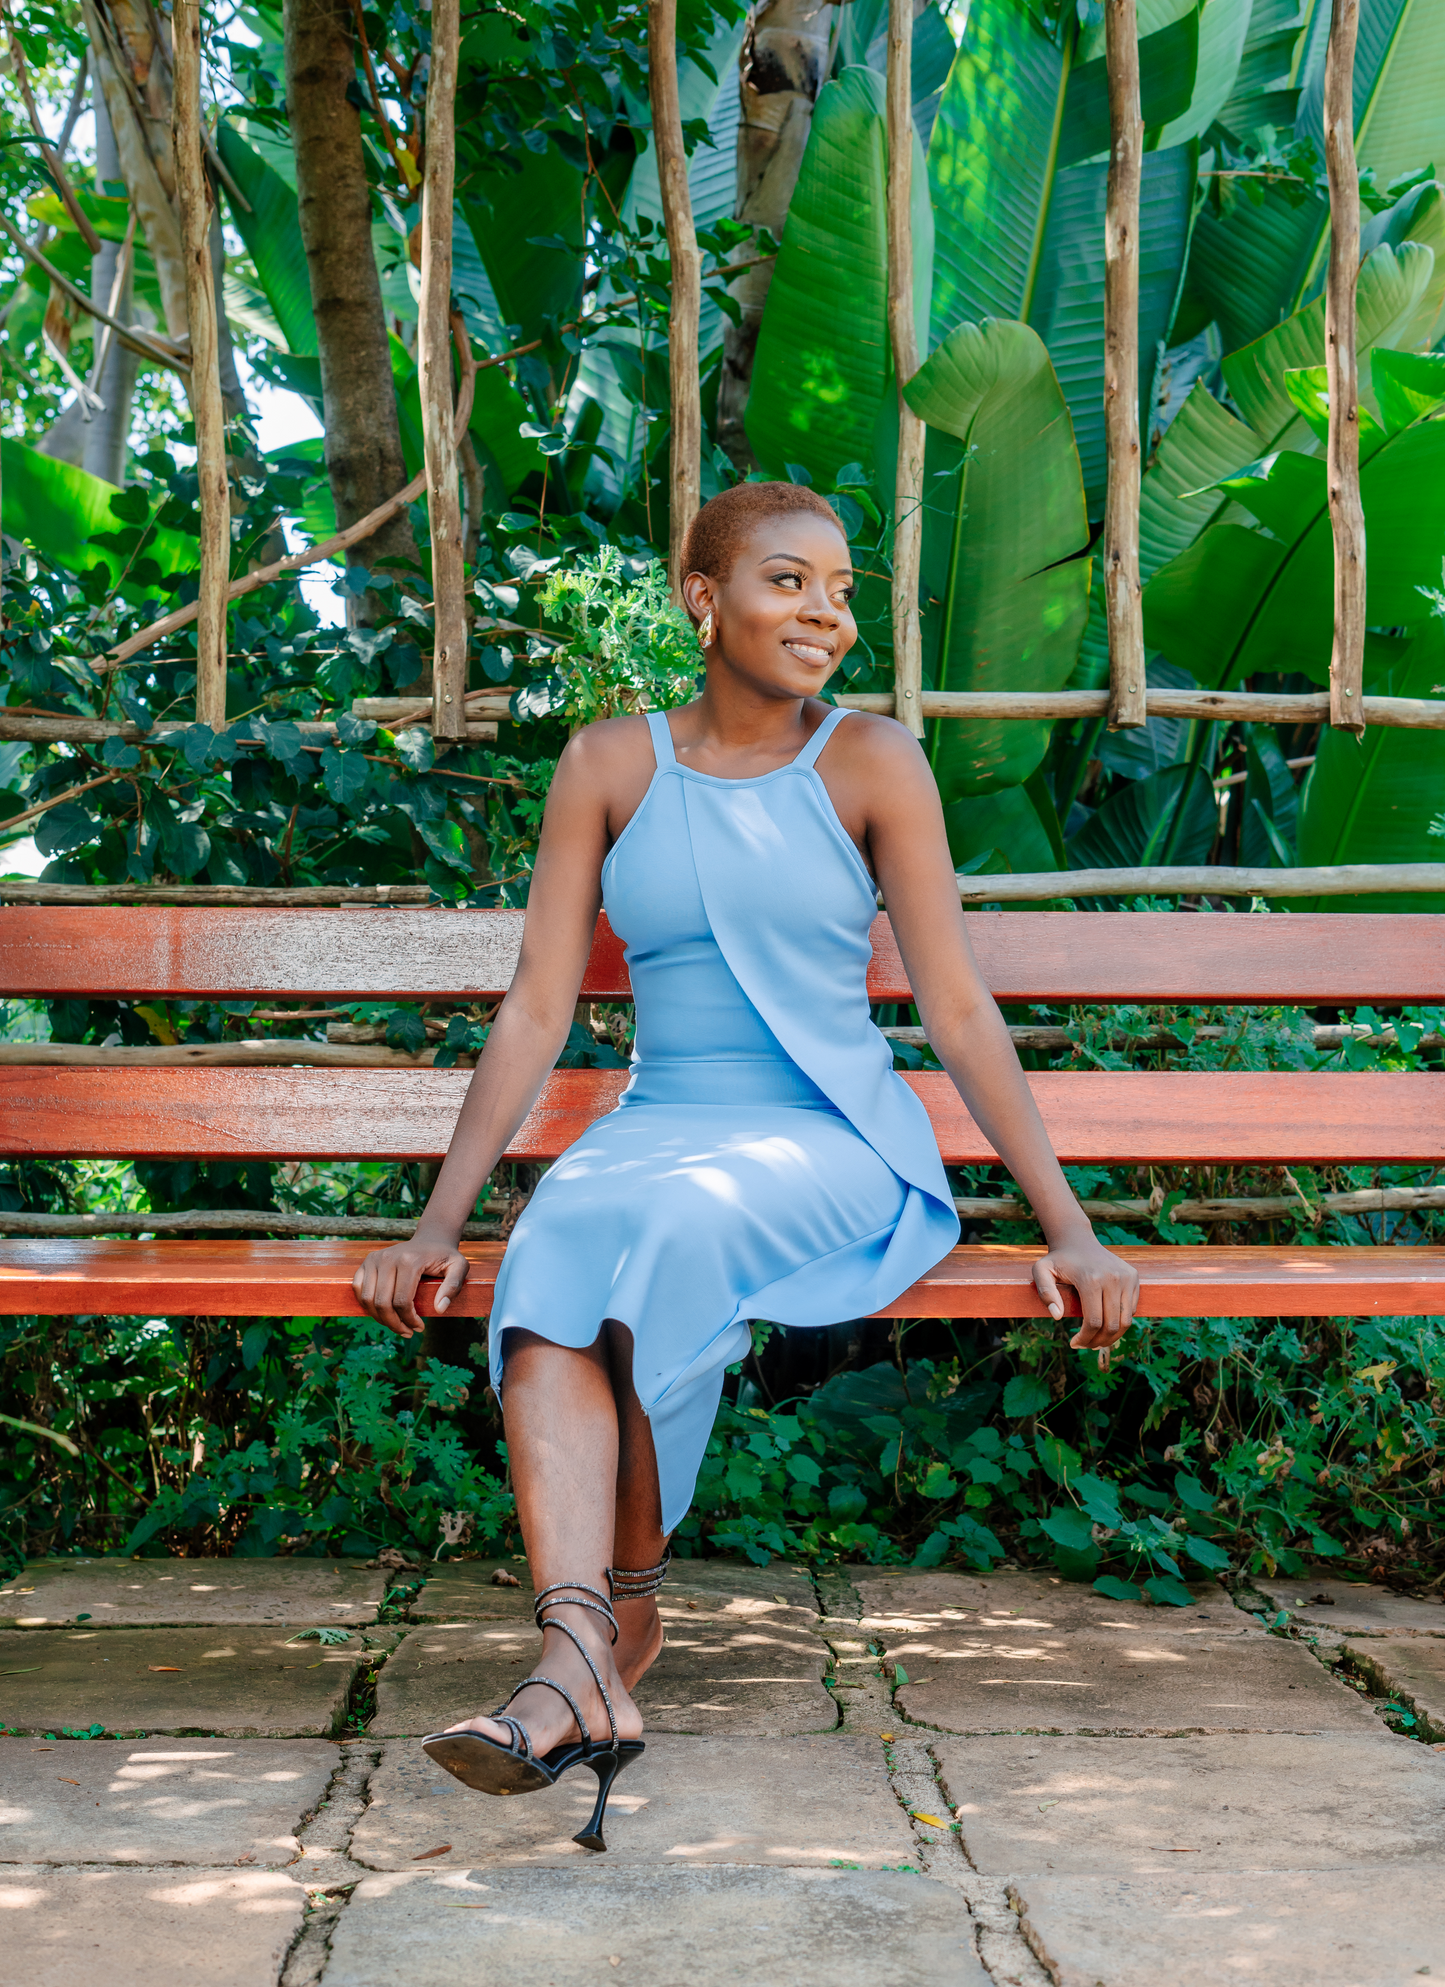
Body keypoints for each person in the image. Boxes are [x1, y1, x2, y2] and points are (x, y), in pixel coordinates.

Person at [352, 481, 1138, 1850]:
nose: (824, 612)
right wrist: (437, 1222)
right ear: (701, 597)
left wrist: (1068, 1223)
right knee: (557, 1240)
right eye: (788, 581)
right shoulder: (609, 763)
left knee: (664, 1232)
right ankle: (582, 1651)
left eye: (839, 589)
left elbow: (955, 1009)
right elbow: (539, 1006)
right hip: (665, 1121)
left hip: (829, 1133)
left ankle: (614, 1621)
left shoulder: (873, 761)